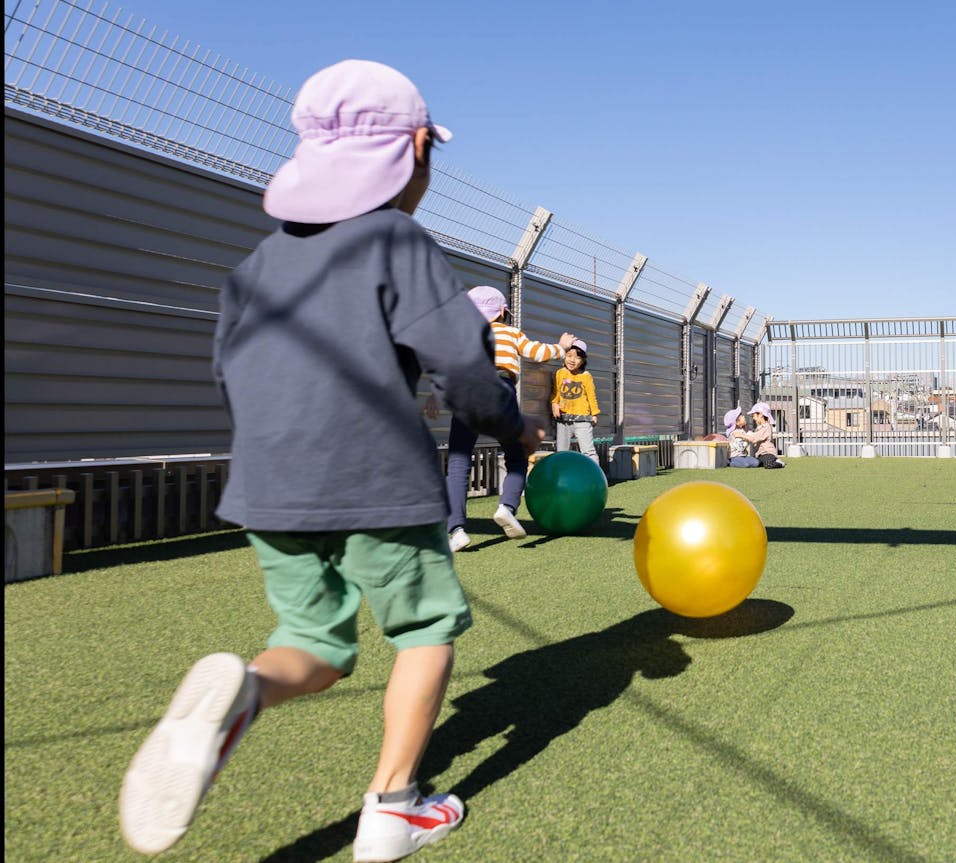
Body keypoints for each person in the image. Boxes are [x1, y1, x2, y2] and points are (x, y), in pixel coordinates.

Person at [116, 60, 535, 863]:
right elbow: (463, 363)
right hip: (377, 477)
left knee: (315, 644)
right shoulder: (396, 238)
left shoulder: (258, 264)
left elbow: (227, 371)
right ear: (417, 149)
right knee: (425, 629)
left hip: (269, 487)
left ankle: (247, 686)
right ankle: (394, 807)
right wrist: (513, 429)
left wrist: (279, 455)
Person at [442, 286, 572, 550]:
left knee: (458, 461)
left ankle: (456, 529)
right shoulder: (510, 332)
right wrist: (562, 347)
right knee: (515, 455)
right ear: (503, 312)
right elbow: (537, 353)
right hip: (499, 390)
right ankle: (507, 506)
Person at [550, 339, 600, 462]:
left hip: (582, 419)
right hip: (563, 419)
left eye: (577, 358)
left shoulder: (585, 376)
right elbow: (556, 392)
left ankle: (595, 479)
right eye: (569, 356)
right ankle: (561, 479)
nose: (572, 360)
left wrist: (594, 414)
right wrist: (554, 404)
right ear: (564, 356)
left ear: (583, 360)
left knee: (588, 451)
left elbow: (591, 396)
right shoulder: (560, 373)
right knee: (562, 452)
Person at [738, 402, 786, 469]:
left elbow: (754, 438)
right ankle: (773, 461)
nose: (753, 418)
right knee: (755, 464)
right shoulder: (759, 428)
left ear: (760, 414)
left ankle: (780, 464)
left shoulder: (766, 427)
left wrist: (740, 435)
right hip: (760, 455)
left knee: (768, 464)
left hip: (768, 453)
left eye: (754, 416)